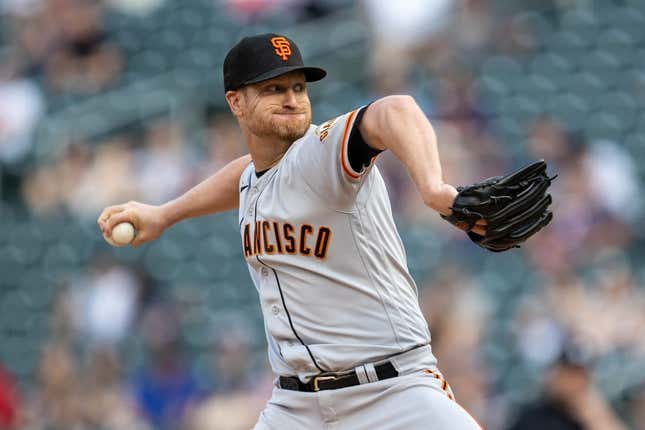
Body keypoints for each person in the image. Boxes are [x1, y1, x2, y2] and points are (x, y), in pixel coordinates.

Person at [98, 33, 485, 429]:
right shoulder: (257, 176)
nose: (292, 98)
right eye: (273, 88)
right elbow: (246, 174)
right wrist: (165, 214)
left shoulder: (321, 153)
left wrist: (433, 187)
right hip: (296, 406)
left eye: (299, 87)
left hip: (390, 393)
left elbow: (396, 110)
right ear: (236, 101)